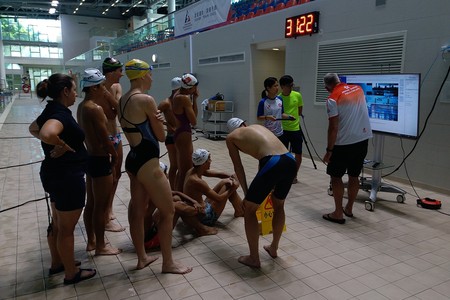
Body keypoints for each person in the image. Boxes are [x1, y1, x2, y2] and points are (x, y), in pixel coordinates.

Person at [118, 58, 192, 273]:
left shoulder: (123, 99)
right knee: (168, 211)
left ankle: (142, 258)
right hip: (148, 163)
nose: (151, 78)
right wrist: (158, 120)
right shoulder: (146, 99)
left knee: (138, 210)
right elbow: (160, 136)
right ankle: (168, 263)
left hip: (133, 158)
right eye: (150, 74)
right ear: (142, 75)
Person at [29, 73, 97, 284]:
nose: (76, 93)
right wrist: (60, 144)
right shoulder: (59, 114)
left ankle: (57, 263)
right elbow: (48, 133)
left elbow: (33, 128)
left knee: (57, 223)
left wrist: (55, 143)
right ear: (65, 91)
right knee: (66, 229)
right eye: (74, 89)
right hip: (67, 177)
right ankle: (71, 273)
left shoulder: (51, 110)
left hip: (54, 174)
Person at [226, 118, 297, 268]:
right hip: (289, 160)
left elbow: (238, 168)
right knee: (279, 205)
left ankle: (253, 258)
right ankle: (274, 248)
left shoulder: (231, 137)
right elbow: (263, 156)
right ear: (243, 124)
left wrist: (247, 194)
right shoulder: (256, 127)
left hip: (272, 162)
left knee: (249, 210)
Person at [77, 68, 122, 255]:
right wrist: (115, 156)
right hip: (101, 159)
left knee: (92, 203)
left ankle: (92, 241)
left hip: (90, 157)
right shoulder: (94, 109)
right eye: (101, 86)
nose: (104, 88)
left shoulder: (81, 106)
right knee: (100, 205)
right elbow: (105, 140)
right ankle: (101, 246)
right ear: (94, 88)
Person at [322, 73, 373, 224]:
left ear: (327, 88)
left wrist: (329, 151)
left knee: (336, 177)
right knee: (354, 175)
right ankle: (349, 208)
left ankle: (338, 213)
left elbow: (333, 127)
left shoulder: (332, 98)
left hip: (342, 144)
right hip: (362, 140)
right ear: (340, 81)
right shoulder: (358, 89)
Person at [181, 148, 244, 235]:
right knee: (227, 186)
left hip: (200, 208)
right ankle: (240, 210)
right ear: (203, 163)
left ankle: (240, 210)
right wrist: (234, 187)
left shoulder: (192, 171)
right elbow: (219, 199)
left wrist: (232, 176)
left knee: (225, 182)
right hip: (204, 218)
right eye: (209, 159)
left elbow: (217, 174)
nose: (211, 161)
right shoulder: (196, 181)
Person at [102, 57, 126, 231]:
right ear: (111, 72)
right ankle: (103, 214)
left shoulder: (116, 87)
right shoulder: (96, 89)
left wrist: (107, 94)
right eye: (119, 71)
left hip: (116, 135)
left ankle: (109, 208)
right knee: (106, 179)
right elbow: (109, 115)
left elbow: (117, 109)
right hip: (103, 138)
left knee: (116, 176)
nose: (122, 74)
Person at [172, 73, 199, 192]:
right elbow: (194, 121)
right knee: (186, 170)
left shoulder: (177, 94)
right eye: (195, 87)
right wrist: (195, 100)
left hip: (180, 132)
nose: (196, 90)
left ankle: (179, 195)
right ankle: (180, 198)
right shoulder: (183, 98)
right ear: (190, 88)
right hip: (183, 133)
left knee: (182, 169)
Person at [279, 75, 304, 184]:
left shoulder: (297, 95)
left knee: (298, 153)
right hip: (283, 130)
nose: (291, 87)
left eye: (292, 85)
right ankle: (283, 174)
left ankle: (294, 175)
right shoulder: (278, 98)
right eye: (289, 86)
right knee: (283, 155)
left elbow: (299, 111)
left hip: (295, 129)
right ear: (282, 86)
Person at [157, 77, 182, 189]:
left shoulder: (181, 101)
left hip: (182, 136)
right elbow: (154, 116)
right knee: (175, 165)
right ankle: (172, 190)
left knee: (182, 165)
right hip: (172, 137)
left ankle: (178, 188)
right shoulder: (166, 103)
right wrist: (167, 125)